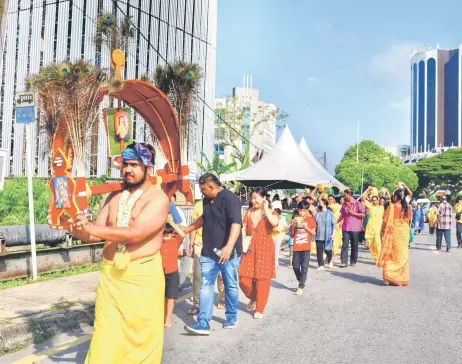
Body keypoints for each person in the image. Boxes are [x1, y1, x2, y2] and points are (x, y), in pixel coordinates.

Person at [52, 143, 169, 364]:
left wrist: (91, 228)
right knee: (106, 336)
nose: (128, 169)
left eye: (134, 165)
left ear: (148, 168)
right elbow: (94, 235)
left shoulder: (158, 199)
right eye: (125, 164)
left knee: (140, 339)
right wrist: (70, 225)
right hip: (111, 280)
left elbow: (135, 234)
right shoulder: (113, 198)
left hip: (142, 281)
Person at [183, 174, 242, 335]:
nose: (201, 192)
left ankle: (231, 317)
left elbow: (236, 223)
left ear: (211, 186)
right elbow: (204, 218)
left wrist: (229, 246)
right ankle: (203, 323)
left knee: (229, 285)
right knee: (205, 287)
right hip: (209, 251)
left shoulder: (230, 199)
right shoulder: (206, 201)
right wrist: (187, 229)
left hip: (228, 253)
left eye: (203, 189)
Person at [239, 187, 279, 319]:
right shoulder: (248, 211)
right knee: (243, 278)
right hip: (250, 248)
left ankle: (260, 308)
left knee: (263, 280)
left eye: (256, 198)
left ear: (263, 199)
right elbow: (244, 227)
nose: (253, 200)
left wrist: (266, 209)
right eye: (252, 198)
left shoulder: (270, 212)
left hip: (265, 249)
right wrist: (242, 241)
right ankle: (254, 297)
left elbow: (274, 223)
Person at [188, 200, 226, 316]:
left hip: (218, 245)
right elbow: (194, 225)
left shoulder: (222, 203)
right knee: (198, 275)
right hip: (200, 244)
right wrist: (191, 243)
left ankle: (222, 298)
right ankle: (197, 304)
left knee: (220, 274)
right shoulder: (199, 205)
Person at [377, 188, 412, 286]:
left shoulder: (391, 207)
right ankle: (399, 279)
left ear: (396, 197)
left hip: (393, 233)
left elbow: (385, 221)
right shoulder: (408, 207)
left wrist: (382, 230)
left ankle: (387, 278)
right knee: (402, 255)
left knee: (390, 253)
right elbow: (408, 221)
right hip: (404, 233)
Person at [161, 217, 186, 328]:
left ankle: (168, 318)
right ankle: (161, 316)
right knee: (161, 296)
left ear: (172, 234)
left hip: (172, 271)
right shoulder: (158, 242)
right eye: (164, 234)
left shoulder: (175, 240)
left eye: (169, 234)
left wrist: (171, 223)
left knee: (170, 296)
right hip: (160, 271)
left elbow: (183, 234)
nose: (166, 237)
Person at [290, 201, 316, 296]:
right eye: (300, 210)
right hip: (297, 246)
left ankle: (301, 286)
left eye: (304, 211)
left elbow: (313, 233)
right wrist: (292, 226)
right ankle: (301, 280)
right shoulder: (295, 218)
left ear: (307, 210)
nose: (302, 213)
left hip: (306, 247)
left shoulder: (310, 219)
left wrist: (306, 227)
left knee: (304, 267)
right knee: (295, 265)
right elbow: (292, 235)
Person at [337, 189, 365, 268]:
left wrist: (353, 213)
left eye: (345, 195)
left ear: (349, 194)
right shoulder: (344, 204)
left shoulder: (357, 203)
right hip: (346, 227)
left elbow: (363, 215)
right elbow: (342, 215)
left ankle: (353, 261)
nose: (344, 196)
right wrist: (336, 222)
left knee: (354, 245)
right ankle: (343, 262)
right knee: (345, 244)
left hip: (355, 228)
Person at [361, 187, 384, 261]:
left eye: (375, 200)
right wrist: (368, 190)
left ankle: (380, 257)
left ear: (378, 200)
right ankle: (375, 255)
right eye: (373, 200)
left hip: (378, 228)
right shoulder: (370, 207)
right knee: (372, 244)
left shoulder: (382, 207)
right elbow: (363, 198)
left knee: (378, 242)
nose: (374, 201)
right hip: (371, 228)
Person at [314, 198, 336, 269]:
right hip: (319, 234)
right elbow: (314, 224)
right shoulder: (317, 213)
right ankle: (321, 265)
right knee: (319, 250)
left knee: (328, 250)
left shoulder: (330, 213)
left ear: (325, 204)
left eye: (320, 203)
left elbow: (334, 224)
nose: (319, 204)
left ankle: (330, 260)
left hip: (328, 234)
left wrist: (333, 234)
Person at [327, 195, 342, 261]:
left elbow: (342, 214)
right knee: (328, 239)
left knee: (336, 239)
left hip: (337, 224)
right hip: (328, 225)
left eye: (331, 199)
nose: (329, 201)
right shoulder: (327, 206)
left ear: (334, 199)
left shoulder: (339, 206)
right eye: (328, 199)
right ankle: (328, 254)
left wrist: (342, 221)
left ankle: (333, 253)